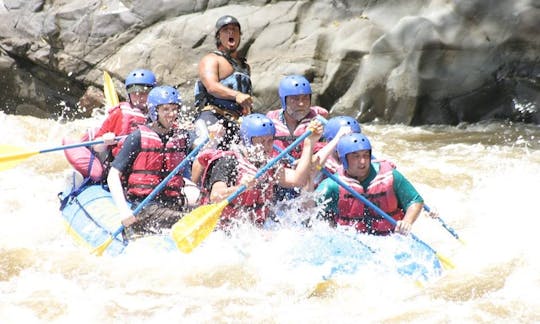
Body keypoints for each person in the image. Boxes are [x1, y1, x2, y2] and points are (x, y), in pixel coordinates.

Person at [198, 113, 323, 228]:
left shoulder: (268, 166)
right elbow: (216, 196)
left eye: (270, 141)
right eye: (261, 142)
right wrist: (240, 187)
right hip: (220, 230)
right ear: (248, 141)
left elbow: (298, 180)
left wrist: (309, 143)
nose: (267, 147)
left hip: (250, 231)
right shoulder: (228, 161)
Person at [107, 85, 199, 237]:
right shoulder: (138, 137)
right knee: (189, 221)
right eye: (166, 110)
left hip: (173, 202)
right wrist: (124, 211)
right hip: (145, 206)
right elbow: (113, 175)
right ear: (154, 111)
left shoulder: (182, 136)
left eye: (175, 109)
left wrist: (214, 137)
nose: (172, 114)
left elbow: (205, 146)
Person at [316, 133, 424, 235]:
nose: (362, 161)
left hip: (390, 237)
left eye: (366, 155)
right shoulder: (332, 185)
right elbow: (308, 210)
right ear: (344, 159)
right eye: (356, 156)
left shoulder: (390, 176)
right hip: (351, 239)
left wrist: (407, 222)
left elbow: (414, 200)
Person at [62, 69, 156, 185]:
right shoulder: (119, 113)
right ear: (128, 93)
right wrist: (105, 141)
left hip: (145, 170)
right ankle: (77, 180)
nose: (139, 96)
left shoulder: (159, 116)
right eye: (134, 92)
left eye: (144, 92)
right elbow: (97, 146)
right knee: (98, 172)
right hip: (117, 168)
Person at [193, 15, 253, 149]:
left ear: (239, 35)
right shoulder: (211, 59)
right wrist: (236, 95)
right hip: (213, 116)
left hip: (237, 120)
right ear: (218, 36)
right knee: (207, 147)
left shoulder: (245, 67)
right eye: (226, 30)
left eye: (234, 30)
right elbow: (212, 87)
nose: (231, 32)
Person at [266, 74, 328, 201]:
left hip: (309, 174)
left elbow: (326, 151)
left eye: (306, 98)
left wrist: (311, 158)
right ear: (284, 101)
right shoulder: (270, 122)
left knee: (312, 171)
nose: (301, 104)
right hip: (282, 174)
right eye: (295, 99)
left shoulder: (318, 121)